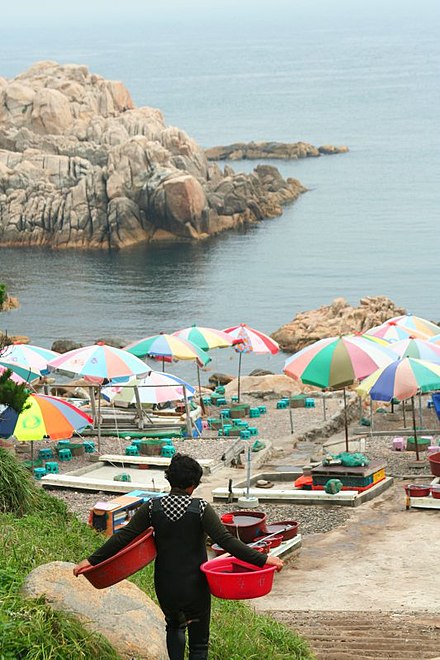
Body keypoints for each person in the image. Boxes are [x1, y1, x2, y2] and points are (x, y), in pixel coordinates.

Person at [73, 453, 283, 660]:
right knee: (199, 645)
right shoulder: (201, 509)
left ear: (170, 479)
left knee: (174, 626)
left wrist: (91, 560)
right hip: (195, 585)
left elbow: (124, 537)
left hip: (166, 584)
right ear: (193, 484)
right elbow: (227, 541)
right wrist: (263, 559)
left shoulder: (152, 508)